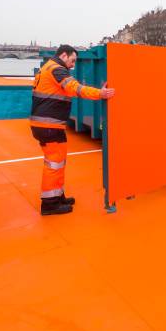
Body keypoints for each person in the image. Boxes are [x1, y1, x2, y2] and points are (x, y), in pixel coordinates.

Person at [30, 45, 115, 215]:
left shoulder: (46, 68)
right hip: (49, 125)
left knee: (58, 162)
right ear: (63, 55)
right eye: (72, 60)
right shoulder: (57, 69)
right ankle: (49, 204)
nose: (73, 65)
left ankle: (57, 196)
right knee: (54, 163)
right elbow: (75, 88)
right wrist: (101, 94)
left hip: (47, 124)